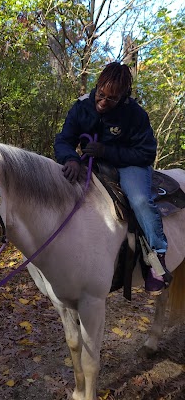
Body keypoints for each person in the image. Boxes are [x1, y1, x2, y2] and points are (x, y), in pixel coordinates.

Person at [54, 61, 172, 295]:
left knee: (139, 201)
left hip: (130, 164)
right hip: (90, 162)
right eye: (100, 94)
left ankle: (156, 259)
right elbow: (64, 139)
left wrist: (107, 152)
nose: (103, 102)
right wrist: (70, 159)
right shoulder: (80, 107)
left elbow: (146, 152)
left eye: (111, 99)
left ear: (123, 96)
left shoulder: (135, 114)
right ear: (97, 87)